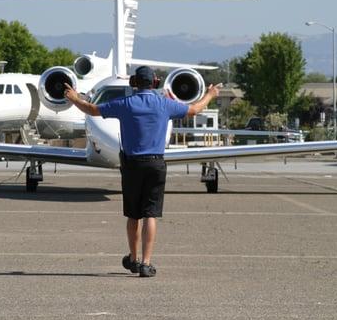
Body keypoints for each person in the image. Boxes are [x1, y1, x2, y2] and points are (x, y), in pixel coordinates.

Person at [64, 66, 221, 277]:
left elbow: (93, 110)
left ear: (134, 82)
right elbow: (194, 110)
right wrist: (210, 95)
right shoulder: (165, 104)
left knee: (133, 215)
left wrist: (74, 98)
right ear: (155, 82)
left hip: (132, 165)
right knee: (151, 214)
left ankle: (133, 258)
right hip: (156, 164)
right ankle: (147, 263)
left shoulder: (126, 104)